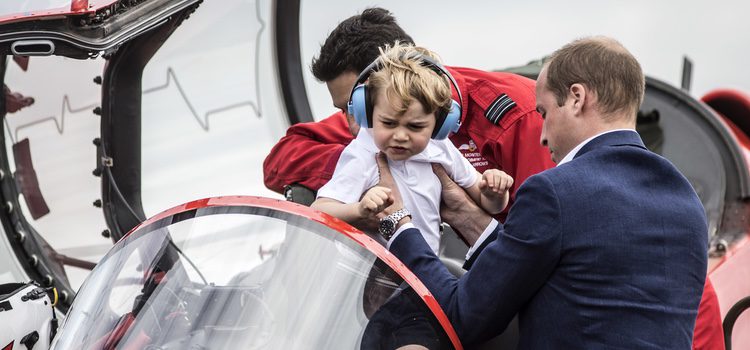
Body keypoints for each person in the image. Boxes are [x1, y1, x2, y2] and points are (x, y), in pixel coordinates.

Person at [378, 37, 709, 348]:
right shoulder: (685, 200)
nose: (542, 137)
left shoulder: (554, 190)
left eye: (544, 113)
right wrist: (465, 215)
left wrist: (399, 221)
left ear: (577, 98)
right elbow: (565, 275)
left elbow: (465, 315)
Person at [263, 7, 555, 222]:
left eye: (354, 106)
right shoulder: (372, 126)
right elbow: (280, 161)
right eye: (350, 110)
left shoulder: (519, 116)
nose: (354, 125)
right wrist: (366, 167)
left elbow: (542, 230)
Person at [311, 43, 513, 253]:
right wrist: (359, 210)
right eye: (388, 123)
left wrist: (495, 193)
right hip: (376, 275)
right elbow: (319, 211)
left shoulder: (440, 147)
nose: (400, 136)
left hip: (423, 273)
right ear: (368, 113)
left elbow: (489, 203)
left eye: (415, 127)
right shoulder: (363, 154)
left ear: (441, 125)